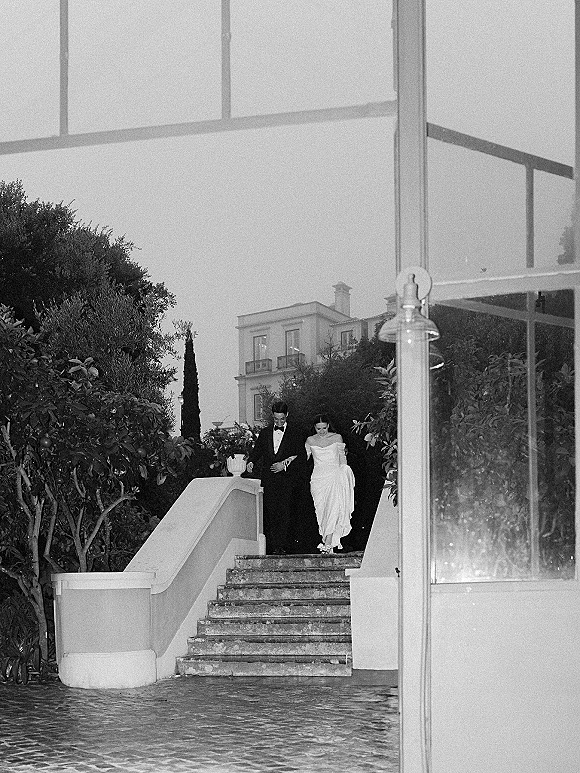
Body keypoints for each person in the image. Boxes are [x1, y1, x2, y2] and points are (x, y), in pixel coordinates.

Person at [246, 401, 306, 554]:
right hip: (269, 480)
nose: (279, 422)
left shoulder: (296, 433)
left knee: (286, 512)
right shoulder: (265, 433)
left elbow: (301, 457)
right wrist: (251, 462)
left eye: (282, 419)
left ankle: (284, 546)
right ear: (272, 416)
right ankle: (273, 546)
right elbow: (257, 451)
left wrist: (284, 465)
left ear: (287, 415)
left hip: (288, 480)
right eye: (276, 419)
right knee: (271, 513)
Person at [305, 415, 355, 554]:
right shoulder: (310, 440)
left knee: (334, 507)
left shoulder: (337, 437)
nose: (322, 431)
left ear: (328, 426)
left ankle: (327, 543)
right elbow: (303, 458)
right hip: (318, 479)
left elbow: (342, 459)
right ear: (314, 428)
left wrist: (344, 475)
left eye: (324, 428)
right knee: (321, 511)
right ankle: (328, 542)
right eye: (318, 428)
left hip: (335, 476)